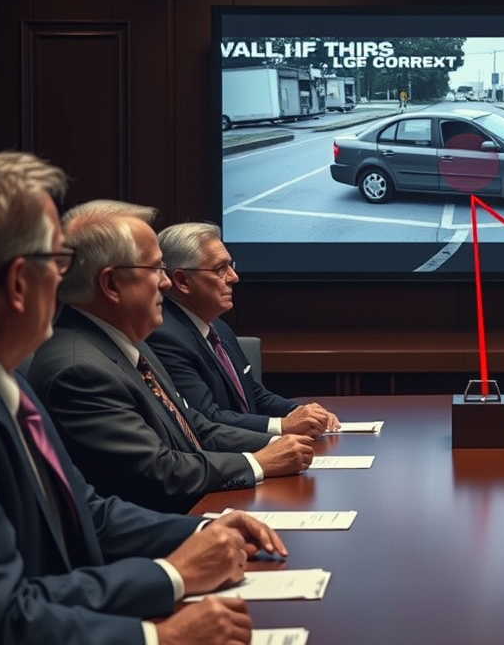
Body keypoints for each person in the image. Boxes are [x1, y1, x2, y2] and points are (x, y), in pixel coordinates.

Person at [0, 151, 288, 645]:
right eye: (55, 259)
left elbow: (87, 511)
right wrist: (161, 624)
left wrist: (202, 531)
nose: (66, 277)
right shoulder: (50, 372)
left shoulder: (7, 380)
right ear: (20, 281)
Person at [28, 201, 317, 514]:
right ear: (111, 284)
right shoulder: (79, 369)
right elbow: (157, 472)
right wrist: (256, 463)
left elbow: (194, 427)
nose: (165, 283)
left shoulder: (125, 343)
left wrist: (273, 444)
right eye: (154, 269)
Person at [148, 222, 339, 437]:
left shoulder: (218, 326)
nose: (234, 277)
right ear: (182, 280)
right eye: (220, 269)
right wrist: (282, 426)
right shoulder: (164, 337)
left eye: (231, 266)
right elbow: (206, 418)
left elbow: (254, 395)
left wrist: (298, 411)